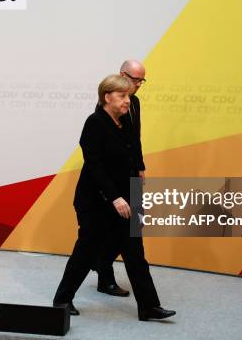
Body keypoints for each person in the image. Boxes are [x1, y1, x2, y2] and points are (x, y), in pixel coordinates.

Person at [53, 75, 175, 321]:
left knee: (135, 252)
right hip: (96, 200)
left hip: (127, 197)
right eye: (122, 96)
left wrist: (135, 190)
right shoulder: (94, 123)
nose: (127, 101)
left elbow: (132, 155)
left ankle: (148, 306)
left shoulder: (124, 122)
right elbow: (95, 166)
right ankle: (62, 299)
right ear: (107, 97)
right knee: (86, 251)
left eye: (128, 96)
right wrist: (115, 198)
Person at [96, 59, 147, 297]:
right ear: (121, 74)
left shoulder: (134, 103)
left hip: (132, 174)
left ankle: (101, 263)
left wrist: (140, 166)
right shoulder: (105, 110)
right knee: (120, 230)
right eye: (134, 79)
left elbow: (135, 139)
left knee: (136, 223)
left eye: (141, 81)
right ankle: (105, 276)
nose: (137, 85)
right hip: (116, 181)